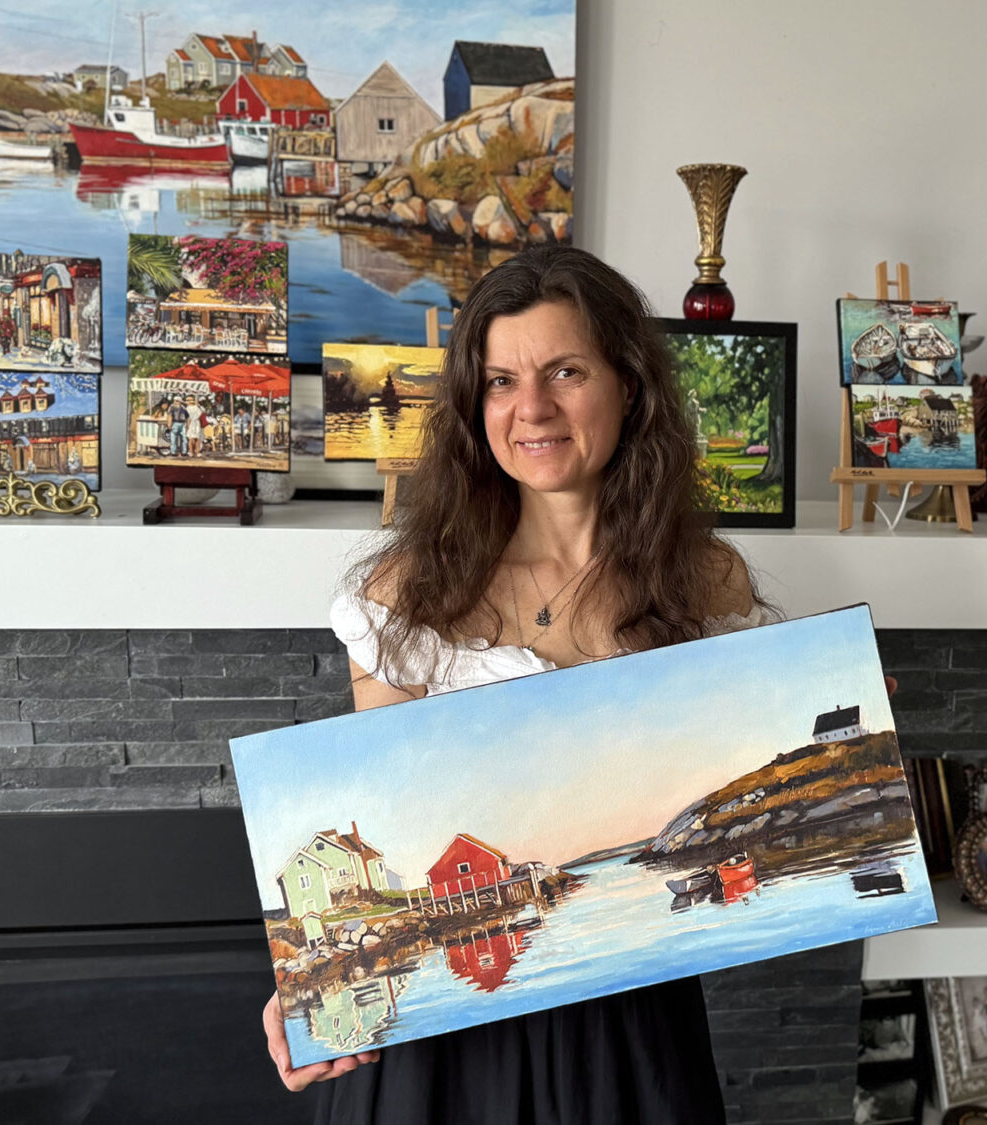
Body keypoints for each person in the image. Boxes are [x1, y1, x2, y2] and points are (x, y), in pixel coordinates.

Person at [259, 245, 769, 1124]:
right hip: (444, 1035)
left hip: (627, 1019)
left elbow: (730, 810)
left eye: (565, 371)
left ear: (629, 386)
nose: (531, 406)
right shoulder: (403, 591)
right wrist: (309, 976)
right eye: (500, 381)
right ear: (475, 406)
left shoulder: (705, 580)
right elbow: (375, 835)